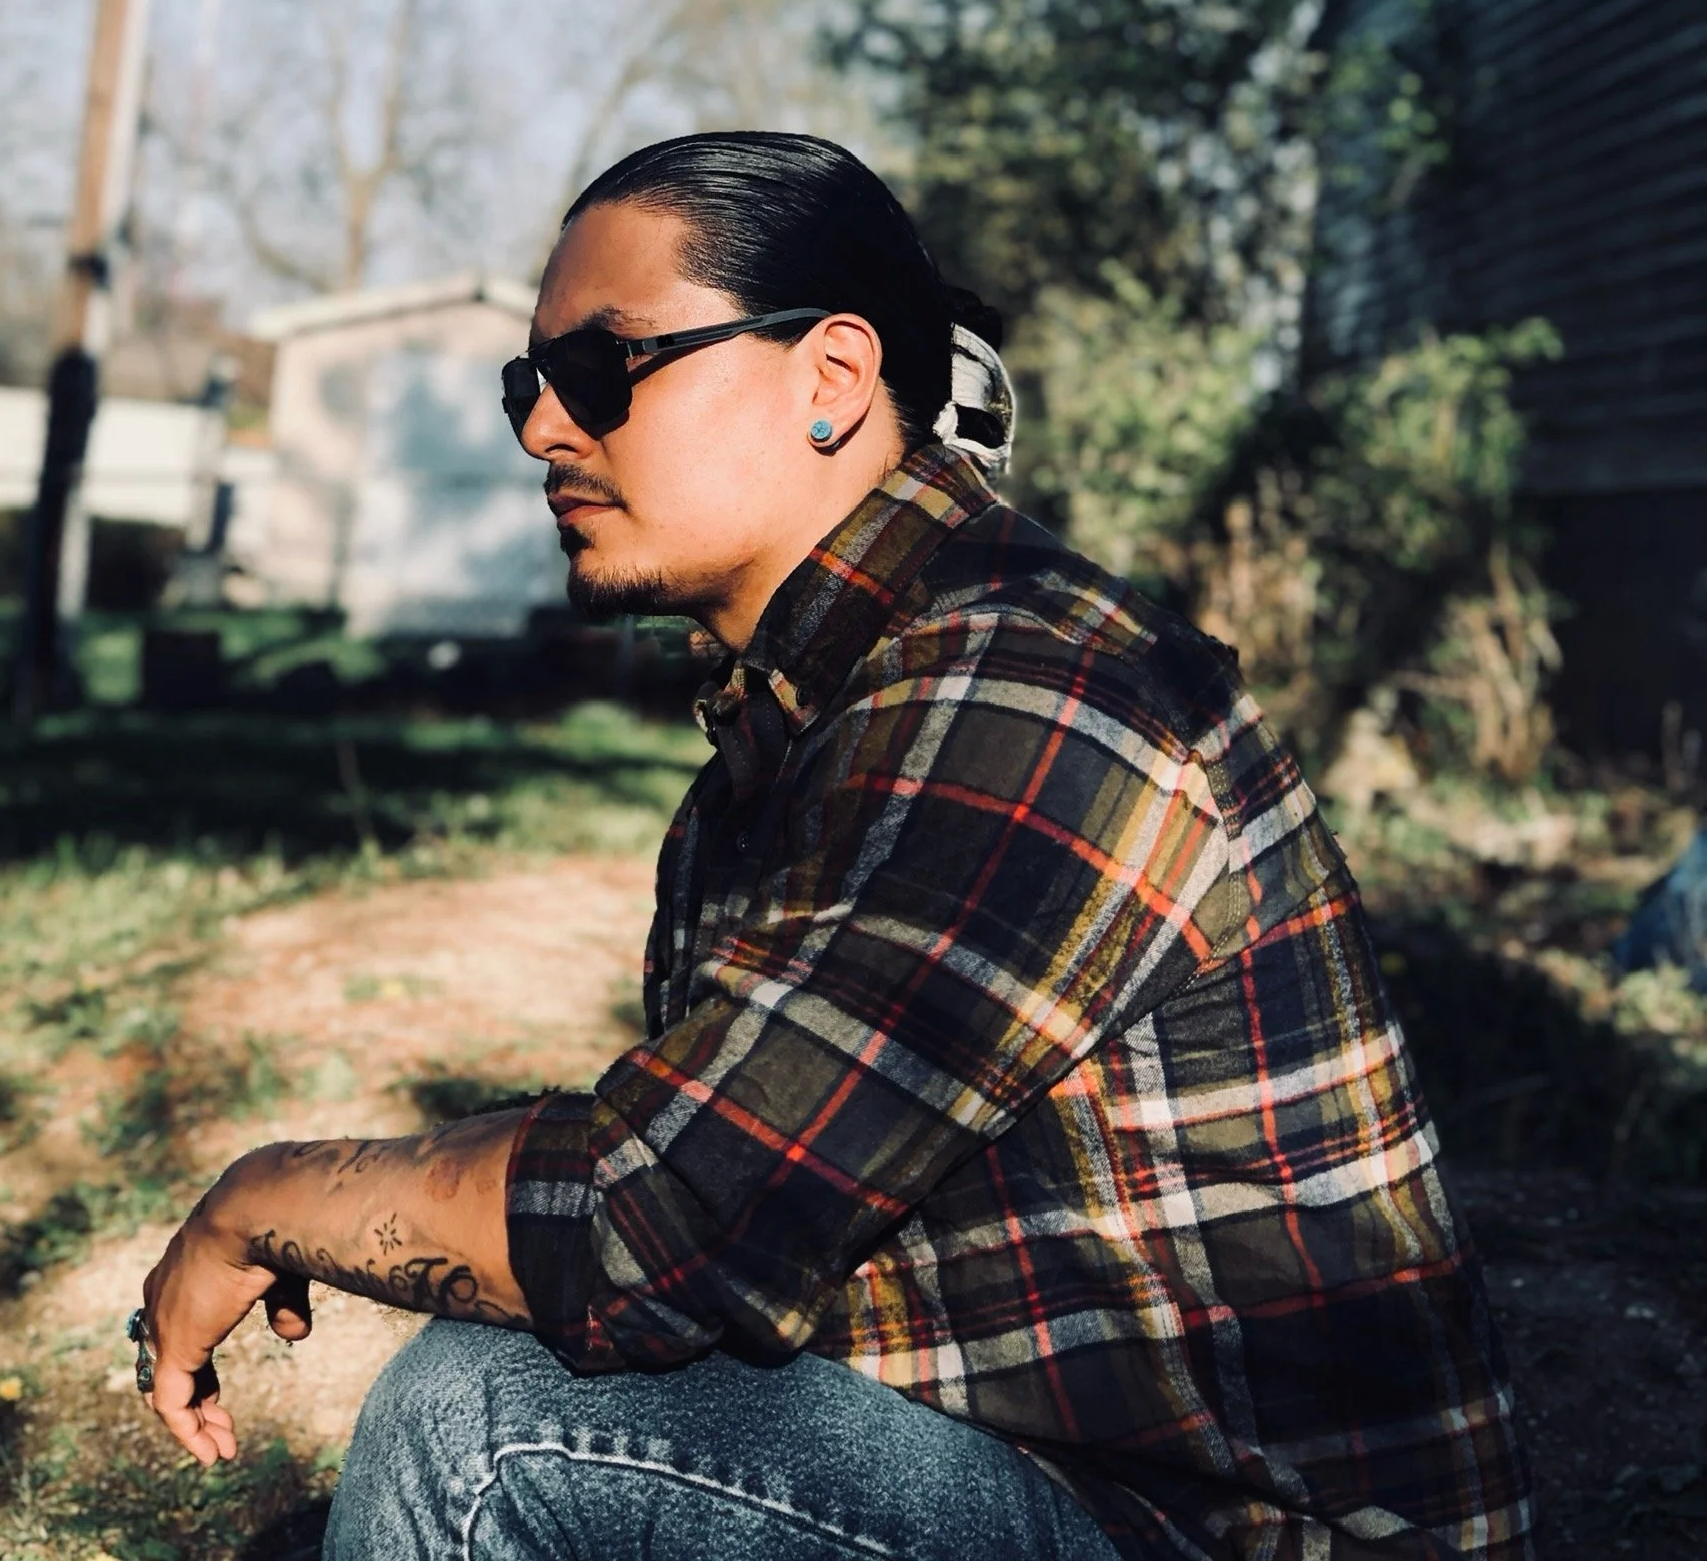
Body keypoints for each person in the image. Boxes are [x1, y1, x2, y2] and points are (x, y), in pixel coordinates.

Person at [137, 133, 1534, 1559]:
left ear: (831, 379)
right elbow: (731, 1187)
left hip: (1196, 1532)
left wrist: (261, 1206)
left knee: (486, 1431)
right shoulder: (810, 721)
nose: (546, 430)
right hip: (1020, 1469)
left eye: (604, 369)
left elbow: (660, 1224)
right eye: (528, 384)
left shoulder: (1031, 695)